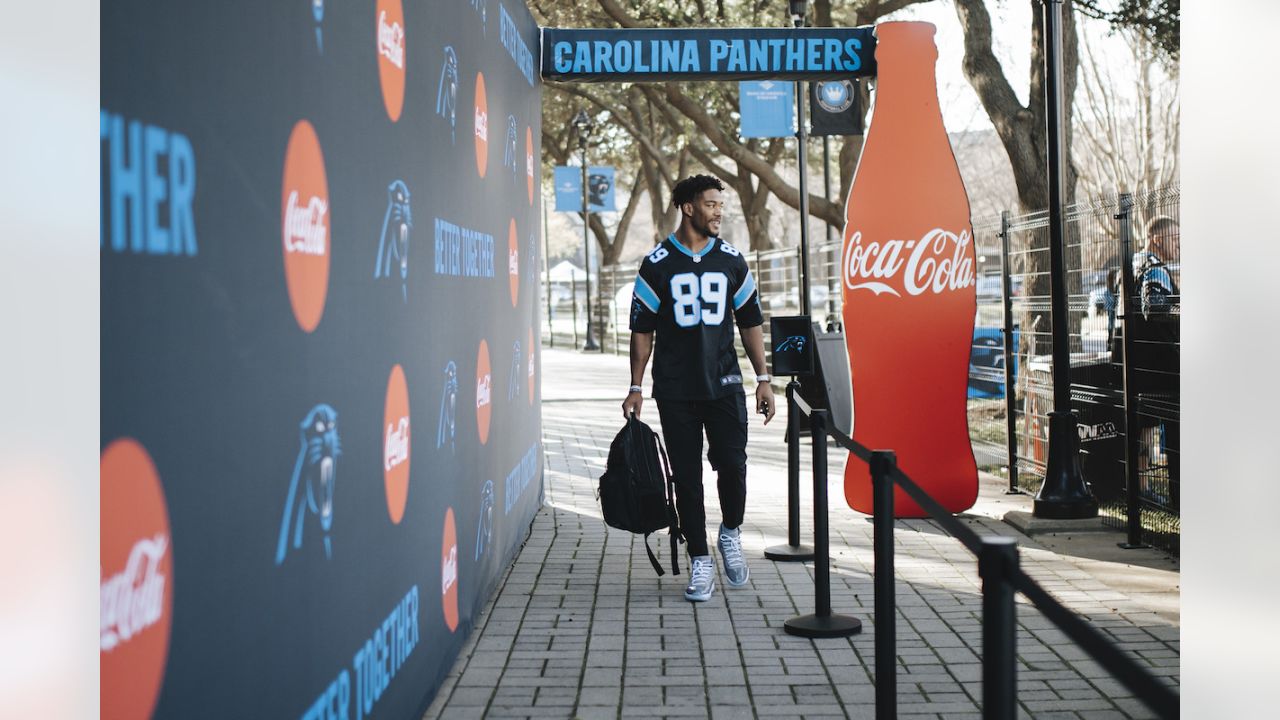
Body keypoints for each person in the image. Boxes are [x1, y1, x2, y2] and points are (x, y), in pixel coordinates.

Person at [622, 174, 775, 603]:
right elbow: (642, 331)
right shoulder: (656, 264)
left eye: (719, 205)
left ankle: (730, 531)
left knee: (733, 464)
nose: (718, 212)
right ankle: (700, 558)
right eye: (711, 205)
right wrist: (635, 386)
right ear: (688, 208)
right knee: (687, 480)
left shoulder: (732, 260)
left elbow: (749, 323)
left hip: (725, 384)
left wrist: (763, 379)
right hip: (674, 390)